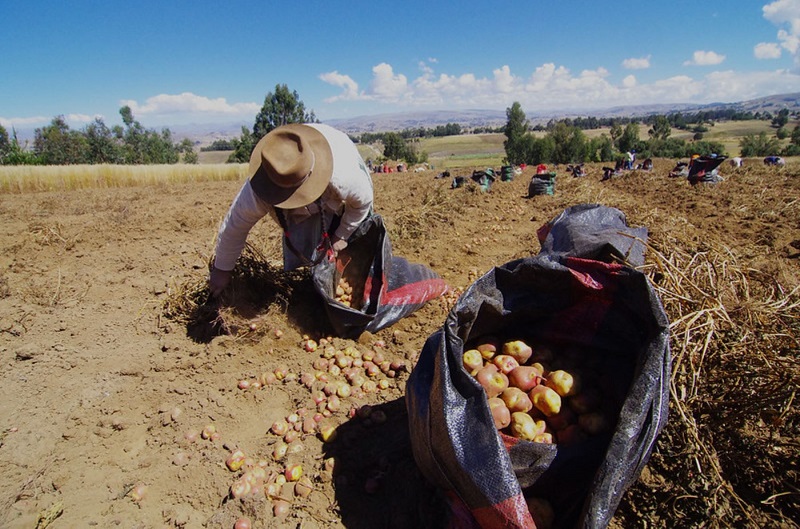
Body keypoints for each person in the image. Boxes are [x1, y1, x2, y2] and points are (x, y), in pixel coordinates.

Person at [208, 123, 374, 298]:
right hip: (306, 188)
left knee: (356, 236)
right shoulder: (260, 185)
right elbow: (234, 227)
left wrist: (341, 235)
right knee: (304, 235)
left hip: (339, 168)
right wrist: (221, 270)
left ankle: (359, 276)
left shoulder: (343, 176)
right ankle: (312, 281)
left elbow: (362, 203)